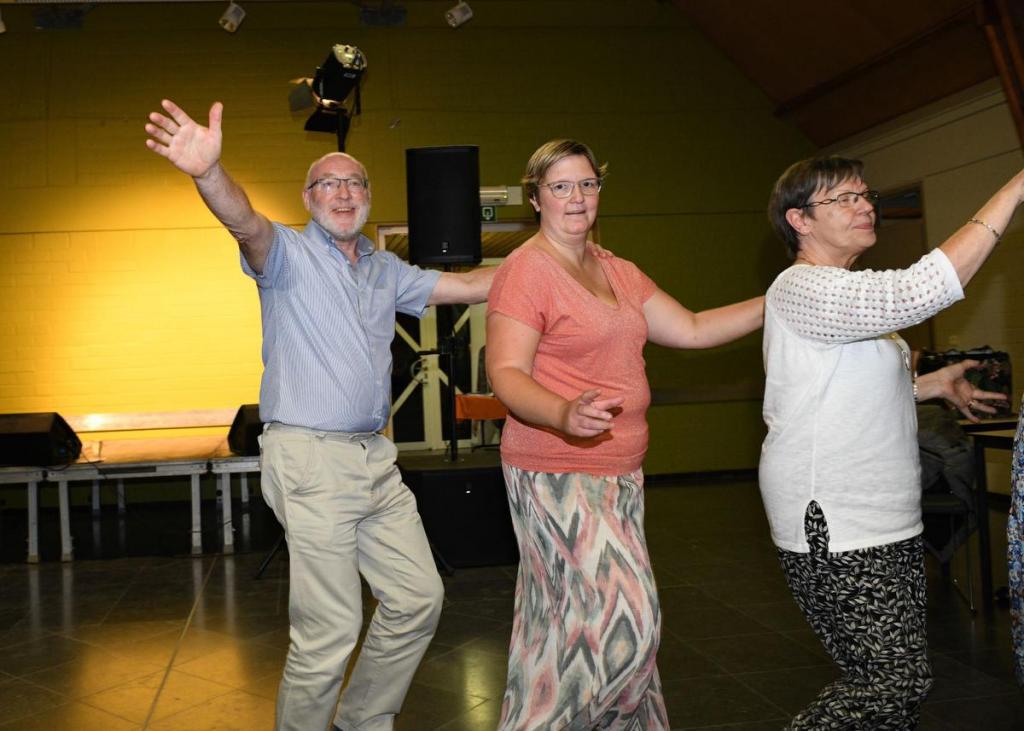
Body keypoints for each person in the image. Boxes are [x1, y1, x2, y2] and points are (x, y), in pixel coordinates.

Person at [144, 99, 496, 731]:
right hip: (309, 457)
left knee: (418, 598)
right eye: (328, 183)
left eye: (355, 182)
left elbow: (469, 286)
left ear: (368, 197)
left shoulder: (386, 270)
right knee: (331, 628)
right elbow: (244, 222)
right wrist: (208, 173)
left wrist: (553, 251)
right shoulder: (285, 254)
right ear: (308, 199)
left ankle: (362, 721)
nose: (344, 192)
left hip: (374, 459)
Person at [485, 139, 765, 730]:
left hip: (622, 473)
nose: (577, 197)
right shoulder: (526, 271)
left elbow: (692, 328)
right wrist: (563, 413)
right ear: (535, 198)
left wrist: (778, 299)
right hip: (556, 471)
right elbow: (506, 372)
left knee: (558, 628)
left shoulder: (617, 269)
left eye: (587, 184)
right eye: (561, 186)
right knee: (627, 625)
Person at [762, 155, 1021, 728]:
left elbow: (843, 390)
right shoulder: (803, 286)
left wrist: (930, 385)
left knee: (893, 681)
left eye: (865, 195)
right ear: (800, 220)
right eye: (844, 199)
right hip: (835, 515)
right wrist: (1013, 190)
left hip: (882, 514)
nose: (865, 207)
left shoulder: (839, 292)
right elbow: (919, 289)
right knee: (889, 684)